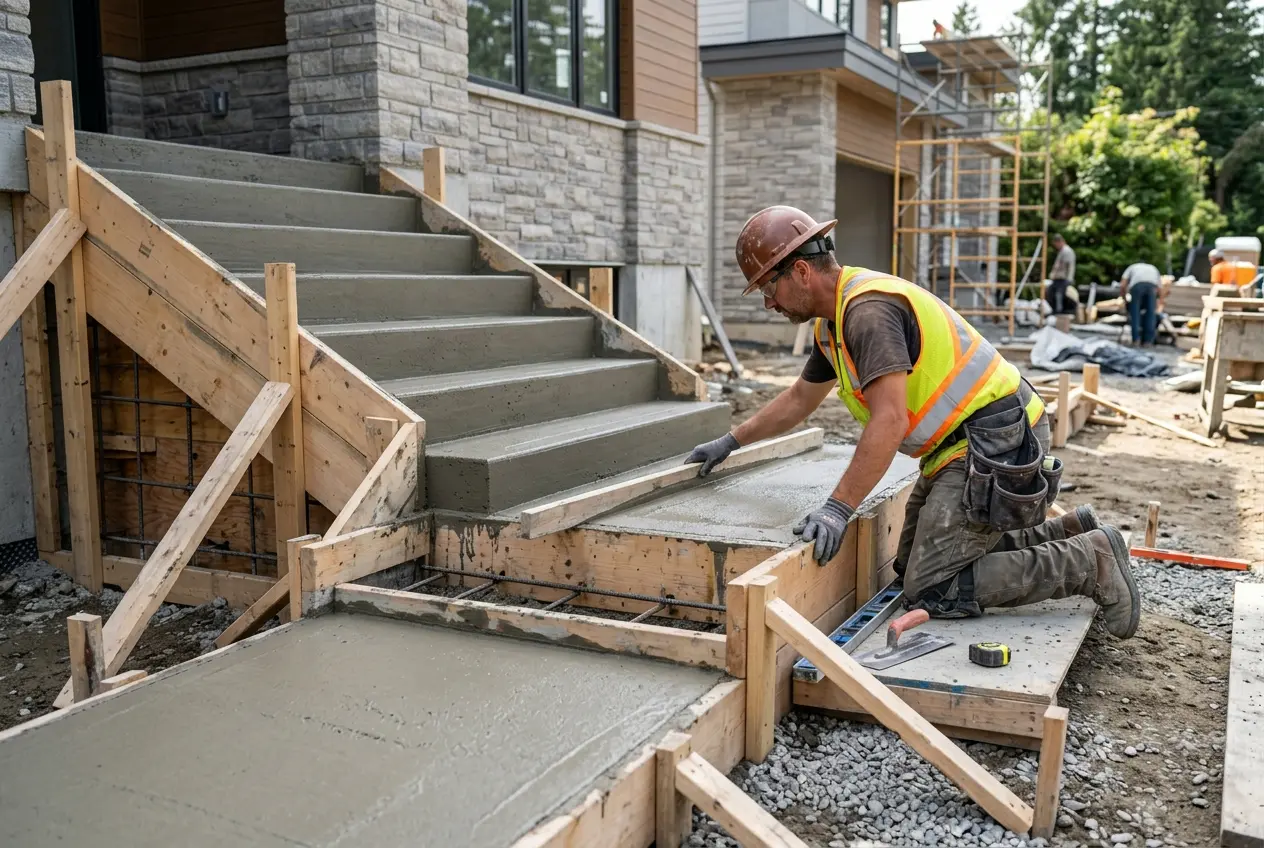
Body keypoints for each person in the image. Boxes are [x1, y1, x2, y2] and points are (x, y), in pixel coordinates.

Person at [687, 206, 1139, 637]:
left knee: (933, 586)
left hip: (994, 440)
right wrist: (731, 441)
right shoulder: (833, 323)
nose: (769, 303)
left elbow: (889, 421)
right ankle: (1069, 530)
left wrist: (838, 508)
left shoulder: (867, 312)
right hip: (965, 445)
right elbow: (798, 399)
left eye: (768, 288)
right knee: (910, 568)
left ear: (801, 271)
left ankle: (1091, 561)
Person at [1120, 261, 1161, 346]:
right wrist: (1158, 301)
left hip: (1137, 286)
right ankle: (1148, 341)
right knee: (1150, 313)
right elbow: (1160, 288)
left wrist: (1124, 299)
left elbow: (1123, 285)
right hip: (1152, 287)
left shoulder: (1132, 267)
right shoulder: (1153, 268)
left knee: (1135, 313)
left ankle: (1136, 340)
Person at [1046, 234, 1078, 329]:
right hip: (1058, 278)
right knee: (1051, 292)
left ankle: (1059, 313)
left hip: (1063, 278)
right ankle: (1055, 311)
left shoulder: (1067, 251)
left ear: (1059, 242)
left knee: (1059, 295)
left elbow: (1068, 266)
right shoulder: (1063, 251)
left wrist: (1069, 279)